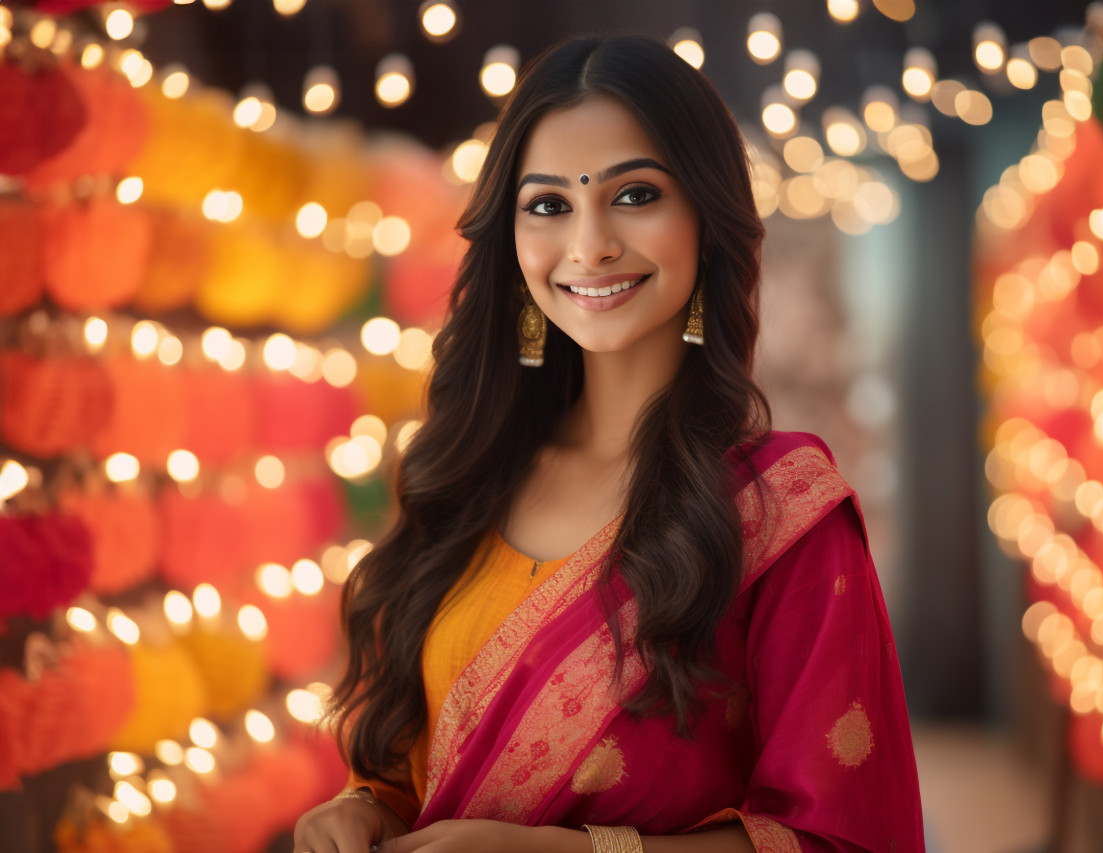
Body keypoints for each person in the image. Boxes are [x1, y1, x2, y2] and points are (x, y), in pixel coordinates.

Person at [293, 33, 924, 853]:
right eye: (549, 204)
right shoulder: (467, 476)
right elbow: (420, 773)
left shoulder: (780, 510)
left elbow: (841, 840)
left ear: (706, 216)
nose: (589, 245)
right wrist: (361, 808)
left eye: (634, 195)